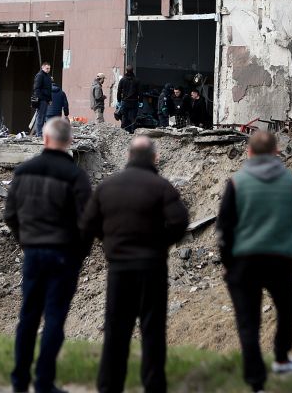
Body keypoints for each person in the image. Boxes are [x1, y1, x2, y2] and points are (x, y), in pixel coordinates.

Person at [80, 136, 189, 393]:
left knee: (116, 330)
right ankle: (153, 385)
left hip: (119, 268)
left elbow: (87, 225)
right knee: (152, 332)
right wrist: (160, 244)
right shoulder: (162, 187)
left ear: (128, 156)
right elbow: (180, 222)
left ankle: (109, 386)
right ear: (155, 158)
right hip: (152, 268)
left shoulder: (107, 188)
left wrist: (107, 241)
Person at [217, 131, 292, 393]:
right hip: (280, 259)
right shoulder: (291, 181)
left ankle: (256, 382)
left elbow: (224, 228)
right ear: (276, 151)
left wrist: (227, 261)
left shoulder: (236, 183)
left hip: (243, 262)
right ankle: (282, 357)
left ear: (248, 152)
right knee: (286, 308)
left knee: (248, 321)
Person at [4, 118, 92, 393]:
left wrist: (26, 242)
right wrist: (79, 254)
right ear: (69, 142)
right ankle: (44, 382)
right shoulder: (76, 177)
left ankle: (19, 380)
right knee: (55, 317)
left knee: (28, 315)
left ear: (44, 139)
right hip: (64, 255)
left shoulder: (24, 171)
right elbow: (87, 222)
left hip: (33, 253)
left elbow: (10, 214)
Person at [33, 63, 56, 136]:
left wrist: (49, 99)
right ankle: (39, 133)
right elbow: (36, 88)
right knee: (40, 116)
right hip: (42, 99)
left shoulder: (47, 76)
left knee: (43, 116)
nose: (48, 70)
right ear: (42, 67)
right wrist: (40, 98)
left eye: (49, 68)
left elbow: (49, 90)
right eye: (47, 68)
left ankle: (40, 132)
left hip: (45, 99)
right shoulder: (40, 75)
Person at [117, 67, 139, 133]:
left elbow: (119, 91)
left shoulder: (122, 80)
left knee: (124, 117)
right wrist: (140, 101)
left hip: (125, 102)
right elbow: (140, 92)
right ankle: (133, 131)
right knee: (133, 117)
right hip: (134, 102)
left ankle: (123, 131)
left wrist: (119, 100)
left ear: (126, 71)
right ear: (133, 71)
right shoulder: (137, 80)